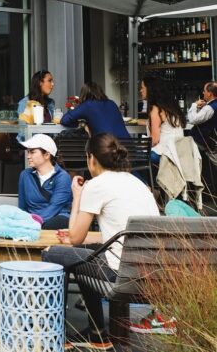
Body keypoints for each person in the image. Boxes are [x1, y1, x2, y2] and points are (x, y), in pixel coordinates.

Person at [42, 133, 163, 350]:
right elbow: (118, 233)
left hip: (119, 273)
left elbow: (75, 237)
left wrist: (77, 196)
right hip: (151, 273)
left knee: (52, 253)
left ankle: (57, 335)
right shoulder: (137, 183)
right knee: (84, 254)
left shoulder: (97, 184)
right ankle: (98, 335)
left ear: (91, 158)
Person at [17, 134, 72, 229]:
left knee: (51, 224)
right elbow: (22, 207)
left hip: (56, 218)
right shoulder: (25, 175)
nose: (28, 156)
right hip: (31, 220)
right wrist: (21, 221)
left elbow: (54, 207)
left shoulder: (63, 177)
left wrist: (32, 223)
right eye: (28, 152)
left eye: (32, 152)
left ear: (47, 155)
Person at [60, 81, 130, 139]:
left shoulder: (88, 105)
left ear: (84, 95)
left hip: (107, 147)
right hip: (129, 146)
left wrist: (82, 124)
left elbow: (65, 120)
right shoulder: (112, 103)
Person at [140, 75, 185, 166]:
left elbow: (154, 140)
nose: (140, 90)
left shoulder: (156, 109)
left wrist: (139, 146)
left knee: (131, 155)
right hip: (178, 151)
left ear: (150, 89)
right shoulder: (170, 106)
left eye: (142, 87)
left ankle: (143, 177)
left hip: (165, 154)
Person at [188, 80, 217, 152]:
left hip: (200, 143)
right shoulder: (211, 106)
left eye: (204, 91)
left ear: (210, 94)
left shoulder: (209, 108)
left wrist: (194, 105)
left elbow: (192, 120)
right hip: (208, 142)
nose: (203, 93)